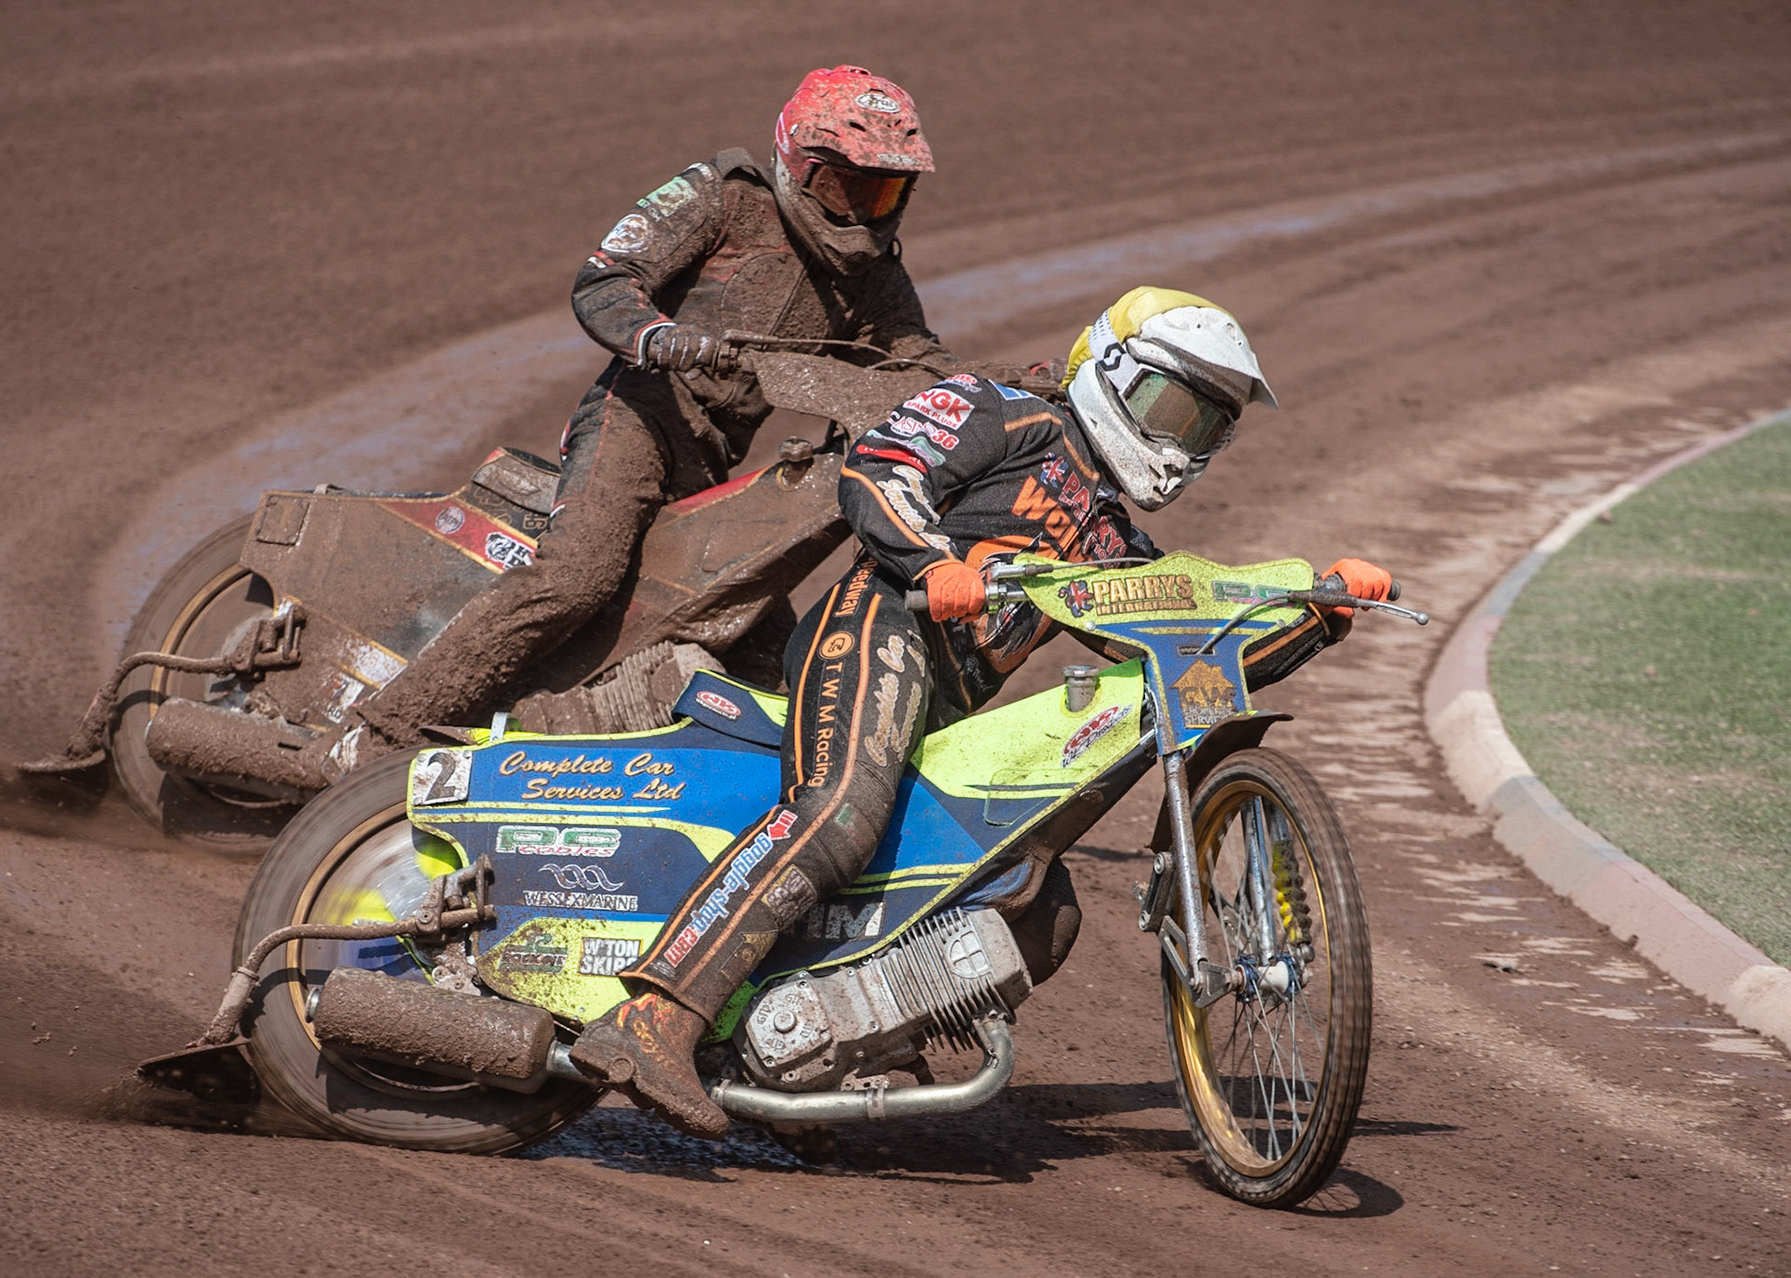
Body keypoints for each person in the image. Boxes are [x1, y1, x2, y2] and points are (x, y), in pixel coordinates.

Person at [567, 285, 1395, 1137]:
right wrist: (932, 563)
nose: (1183, 445)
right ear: (1113, 372)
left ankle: (811, 1054)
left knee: (1038, 904)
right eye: (1175, 410)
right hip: (877, 628)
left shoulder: (1116, 544)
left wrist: (1317, 615)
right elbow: (878, 468)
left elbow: (1182, 651)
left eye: (1207, 429)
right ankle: (654, 1016)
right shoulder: (1002, 411)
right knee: (841, 811)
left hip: (946, 713)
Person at [303, 66, 956, 783]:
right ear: (798, 165)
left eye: (881, 192)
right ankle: (373, 739)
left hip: (710, 466)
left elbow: (918, 362)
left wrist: (1009, 386)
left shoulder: (876, 278)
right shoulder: (724, 197)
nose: (861, 212)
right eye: (845, 187)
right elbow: (606, 277)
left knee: (766, 654)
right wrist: (656, 336)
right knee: (575, 579)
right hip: (637, 419)